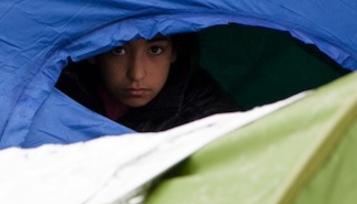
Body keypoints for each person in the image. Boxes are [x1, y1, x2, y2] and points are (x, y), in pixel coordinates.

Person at [56, 32, 241, 132]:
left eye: (155, 50)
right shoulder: (55, 96)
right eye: (118, 50)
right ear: (94, 53)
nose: (136, 74)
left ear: (174, 52)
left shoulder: (207, 116)